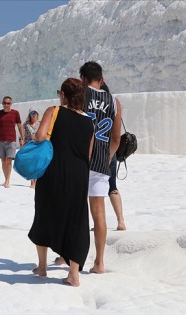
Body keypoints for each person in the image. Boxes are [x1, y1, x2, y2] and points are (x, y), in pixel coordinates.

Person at [28, 78, 94, 287]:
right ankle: (73, 274)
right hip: (79, 175)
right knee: (76, 219)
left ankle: (42, 267)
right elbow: (89, 154)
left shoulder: (53, 111)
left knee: (45, 214)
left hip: (54, 171)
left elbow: (39, 136)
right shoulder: (88, 122)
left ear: (64, 95)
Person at [80, 61, 122, 274]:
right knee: (99, 213)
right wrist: (107, 158)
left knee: (75, 210)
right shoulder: (114, 102)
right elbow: (116, 138)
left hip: (79, 159)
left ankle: (68, 256)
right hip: (101, 161)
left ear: (83, 79)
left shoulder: (80, 94)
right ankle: (99, 262)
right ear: (102, 79)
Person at [100, 82, 127, 231]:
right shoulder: (114, 104)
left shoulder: (94, 106)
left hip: (97, 151)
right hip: (111, 149)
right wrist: (111, 155)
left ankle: (100, 223)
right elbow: (116, 137)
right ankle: (121, 221)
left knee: (95, 189)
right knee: (112, 186)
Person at [0, 96, 24, 188]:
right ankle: (5, 178)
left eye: (8, 103)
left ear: (11, 104)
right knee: (3, 161)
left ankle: (7, 180)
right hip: (0, 140)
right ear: (2, 103)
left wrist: (22, 137)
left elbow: (19, 126)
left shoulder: (15, 113)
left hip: (11, 140)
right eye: (4, 103)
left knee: (9, 160)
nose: (6, 105)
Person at [23, 108, 41, 188]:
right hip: (28, 145)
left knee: (36, 164)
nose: (33, 115)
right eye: (31, 113)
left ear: (37, 114)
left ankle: (36, 181)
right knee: (30, 164)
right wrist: (21, 141)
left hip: (37, 145)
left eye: (34, 113)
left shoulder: (40, 124)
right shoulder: (26, 124)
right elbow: (22, 134)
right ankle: (32, 182)